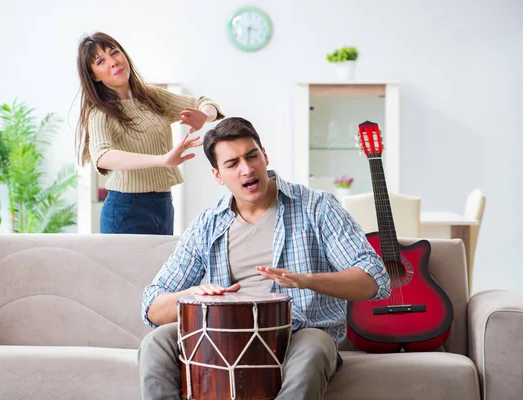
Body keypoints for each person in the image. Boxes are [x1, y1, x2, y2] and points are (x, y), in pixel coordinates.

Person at [138, 117, 391, 399]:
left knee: (313, 347)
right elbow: (152, 307)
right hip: (224, 334)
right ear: (218, 175)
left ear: (265, 156)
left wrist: (307, 281)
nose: (247, 169)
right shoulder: (207, 224)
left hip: (300, 333)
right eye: (232, 164)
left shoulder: (317, 206)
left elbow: (374, 280)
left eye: (252, 156)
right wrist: (194, 295)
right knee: (155, 343)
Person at [75, 31, 224, 235]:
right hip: (126, 208)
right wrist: (162, 160)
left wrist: (204, 116)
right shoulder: (100, 111)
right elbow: (102, 156)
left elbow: (207, 103)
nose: (113, 62)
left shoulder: (151, 96)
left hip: (163, 204)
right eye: (101, 61)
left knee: (161, 268)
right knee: (126, 268)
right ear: (94, 76)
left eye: (115, 52)